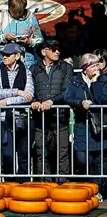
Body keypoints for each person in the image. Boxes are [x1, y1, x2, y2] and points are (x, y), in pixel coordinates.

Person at [65, 53, 107, 191]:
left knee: (99, 161)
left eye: (97, 65)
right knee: (83, 159)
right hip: (82, 126)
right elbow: (67, 97)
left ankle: (97, 190)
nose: (97, 68)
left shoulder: (103, 81)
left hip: (100, 127)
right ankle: (87, 188)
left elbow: (102, 99)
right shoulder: (75, 81)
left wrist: (95, 83)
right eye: (93, 65)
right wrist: (80, 103)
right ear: (84, 68)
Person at [0, 42, 34, 178]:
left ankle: (23, 186)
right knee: (7, 155)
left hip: (22, 118)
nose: (4, 57)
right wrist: (17, 92)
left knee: (24, 156)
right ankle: (10, 185)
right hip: (3, 119)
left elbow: (28, 95)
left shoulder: (26, 72)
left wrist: (7, 101)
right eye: (3, 54)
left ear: (17, 56)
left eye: (8, 55)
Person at [32, 39, 72, 181]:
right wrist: (34, 102)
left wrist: (51, 101)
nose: (57, 51)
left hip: (59, 116)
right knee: (41, 151)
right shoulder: (34, 68)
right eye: (53, 49)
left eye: (58, 48)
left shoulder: (66, 67)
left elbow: (67, 90)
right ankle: (45, 183)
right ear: (44, 52)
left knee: (62, 151)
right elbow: (31, 89)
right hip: (40, 117)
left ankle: (63, 183)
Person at [0, 0, 43, 68]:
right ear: (9, 7)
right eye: (14, 11)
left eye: (20, 12)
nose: (17, 14)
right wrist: (4, 37)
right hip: (5, 60)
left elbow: (40, 39)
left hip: (27, 61)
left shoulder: (30, 17)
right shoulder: (1, 17)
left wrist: (30, 41)